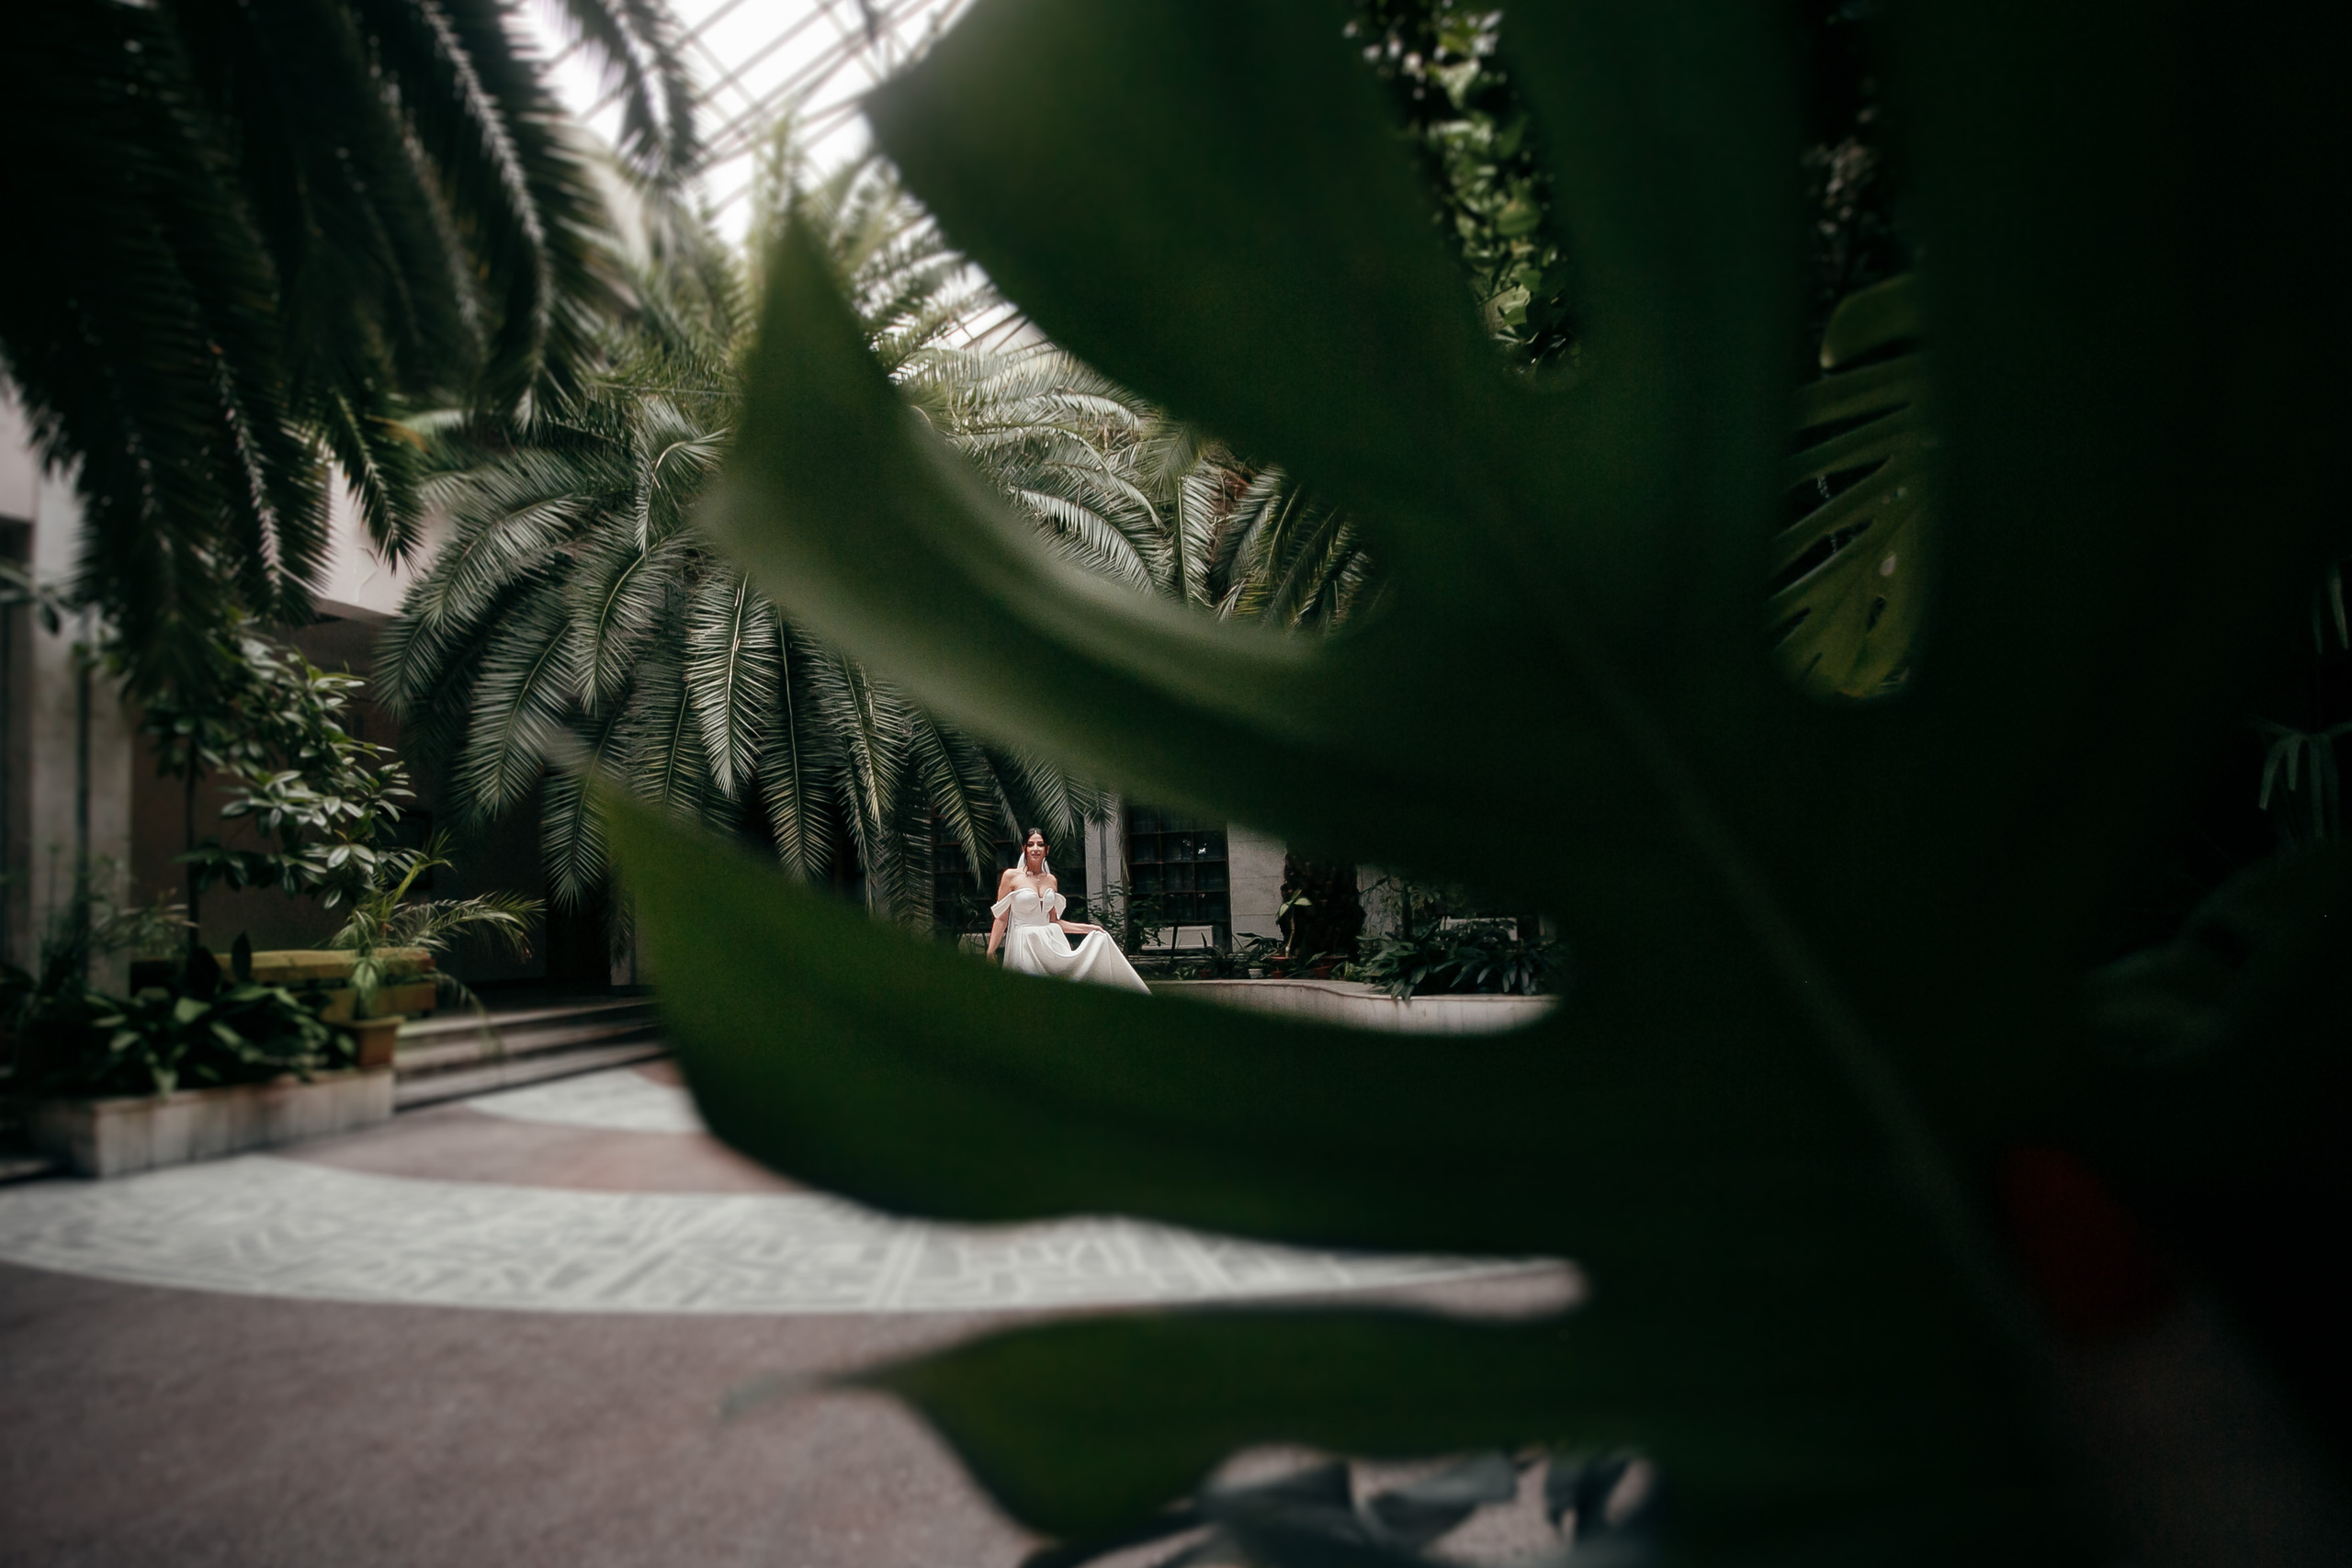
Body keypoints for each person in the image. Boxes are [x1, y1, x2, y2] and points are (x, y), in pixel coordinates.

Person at [985, 829, 1150, 993]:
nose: (1035, 848)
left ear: (1047, 849)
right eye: (1030, 844)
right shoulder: (1011, 876)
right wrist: (991, 952)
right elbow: (1001, 918)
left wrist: (1089, 928)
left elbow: (1054, 921)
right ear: (1024, 848)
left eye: (1040, 844)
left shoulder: (1051, 880)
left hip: (1051, 942)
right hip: (1025, 942)